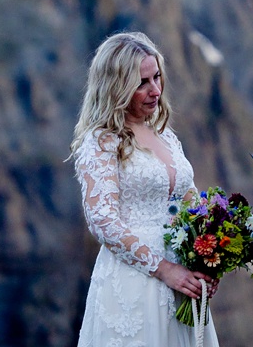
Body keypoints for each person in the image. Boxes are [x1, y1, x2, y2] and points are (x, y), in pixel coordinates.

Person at [72, 31, 219, 347]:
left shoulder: (165, 135)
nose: (155, 90)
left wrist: (207, 259)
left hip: (182, 280)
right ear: (116, 87)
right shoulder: (101, 142)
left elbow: (189, 200)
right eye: (142, 83)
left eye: (157, 77)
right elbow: (102, 221)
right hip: (134, 282)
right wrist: (165, 270)